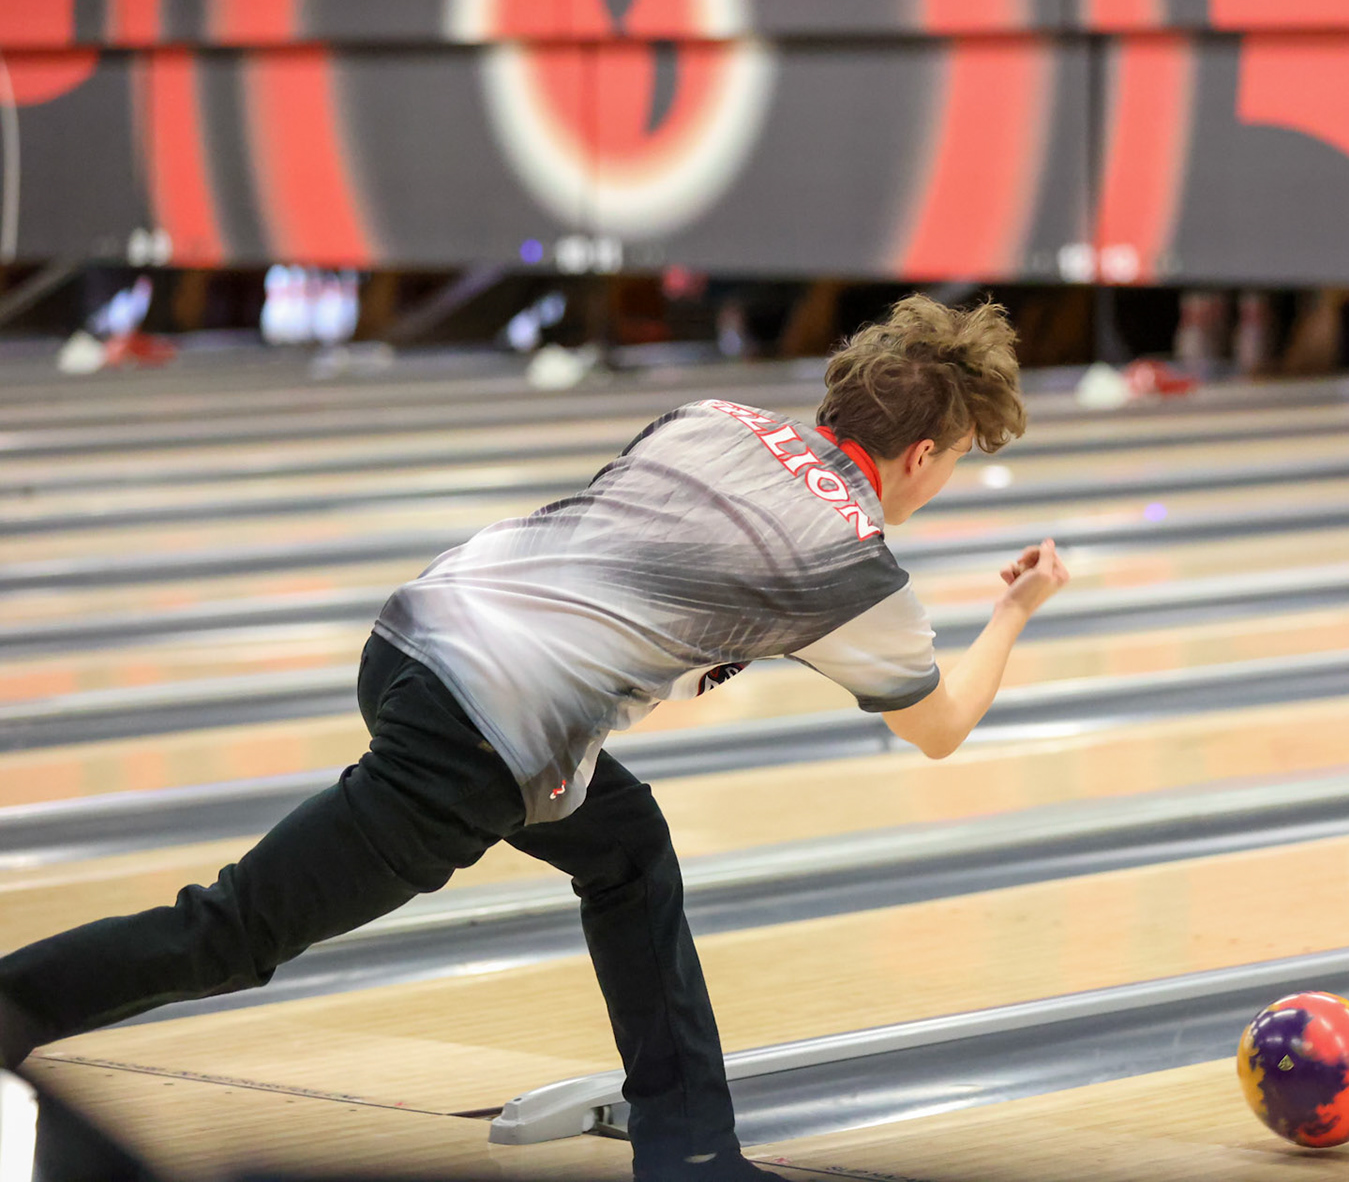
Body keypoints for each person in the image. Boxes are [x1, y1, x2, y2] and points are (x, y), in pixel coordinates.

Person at [0, 294, 1071, 1181]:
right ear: (924, 453)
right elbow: (940, 727)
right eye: (963, 455)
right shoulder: (857, 565)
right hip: (479, 736)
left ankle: (690, 1144)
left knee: (626, 844)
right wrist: (1015, 611)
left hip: (412, 635)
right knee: (233, 929)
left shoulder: (715, 415)